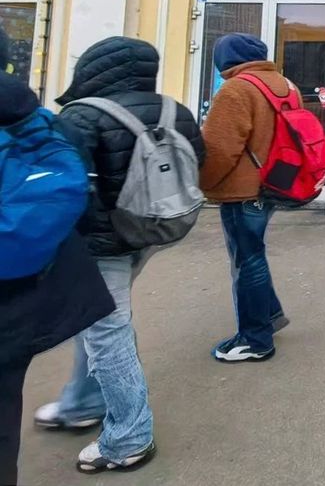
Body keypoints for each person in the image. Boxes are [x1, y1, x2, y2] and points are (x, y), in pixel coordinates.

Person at [33, 37, 204, 475]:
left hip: (100, 243)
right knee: (95, 318)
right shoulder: (175, 110)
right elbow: (197, 161)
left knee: (108, 332)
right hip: (151, 231)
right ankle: (82, 403)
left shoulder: (81, 115)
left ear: (93, 67)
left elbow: (66, 188)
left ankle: (130, 437)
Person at [1, 73, 115, 486]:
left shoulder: (82, 113)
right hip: (32, 288)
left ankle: (105, 415)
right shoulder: (41, 119)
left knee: (110, 334)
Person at [199, 34, 292, 363]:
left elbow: (218, 150)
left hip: (242, 190)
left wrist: (203, 183)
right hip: (274, 183)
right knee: (254, 255)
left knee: (247, 261)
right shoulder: (284, 85)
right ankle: (270, 314)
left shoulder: (236, 89)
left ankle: (255, 339)